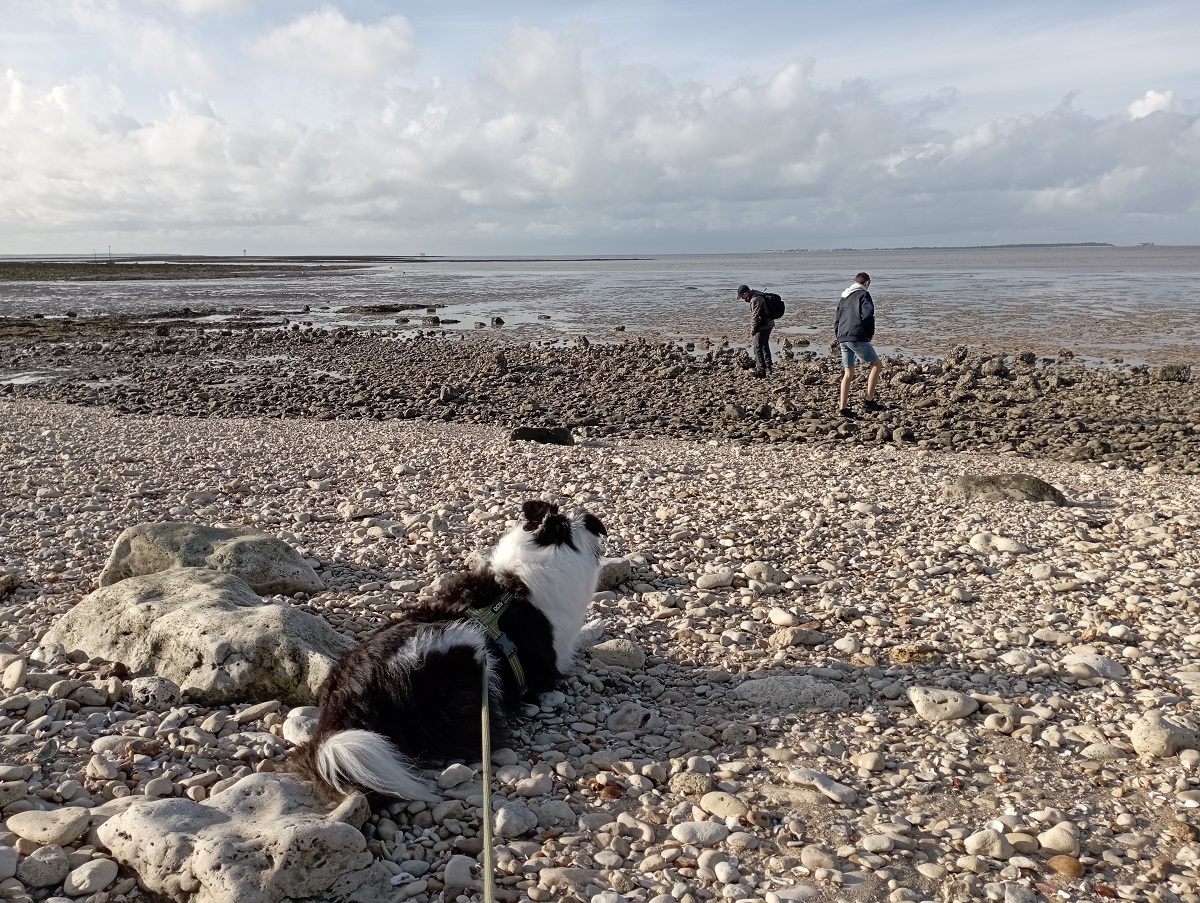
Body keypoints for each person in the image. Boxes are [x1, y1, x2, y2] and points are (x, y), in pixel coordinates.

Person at [833, 272, 883, 417]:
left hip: (842, 336)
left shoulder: (844, 297)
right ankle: (869, 400)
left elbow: (837, 319)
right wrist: (869, 333)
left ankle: (843, 408)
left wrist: (839, 336)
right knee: (876, 365)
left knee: (848, 372)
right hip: (857, 335)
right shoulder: (864, 295)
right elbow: (867, 315)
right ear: (866, 282)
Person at [737, 284, 774, 377]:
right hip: (770, 324)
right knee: (764, 345)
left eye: (742, 296)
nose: (742, 298)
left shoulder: (755, 299)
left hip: (763, 326)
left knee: (757, 348)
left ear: (746, 293)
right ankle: (769, 367)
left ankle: (761, 370)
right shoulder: (759, 294)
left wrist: (752, 330)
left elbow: (755, 317)